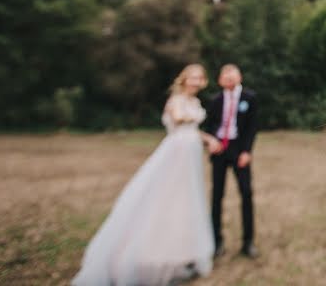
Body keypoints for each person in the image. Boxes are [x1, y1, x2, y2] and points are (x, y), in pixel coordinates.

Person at [73, 64, 218, 286]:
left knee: (185, 202)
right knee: (164, 199)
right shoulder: (176, 100)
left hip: (191, 158)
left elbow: (193, 130)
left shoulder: (196, 102)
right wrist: (192, 118)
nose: (196, 82)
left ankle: (180, 254)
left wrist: (207, 138)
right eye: (193, 78)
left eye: (200, 78)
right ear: (184, 80)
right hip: (175, 156)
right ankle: (144, 254)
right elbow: (179, 119)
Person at [202, 64, 259, 258]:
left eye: (232, 74)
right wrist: (210, 143)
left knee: (246, 193)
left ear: (240, 76)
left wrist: (247, 151)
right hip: (219, 150)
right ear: (219, 80)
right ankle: (217, 241)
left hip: (239, 149)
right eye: (224, 75)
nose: (229, 78)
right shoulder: (215, 100)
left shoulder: (249, 98)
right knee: (217, 195)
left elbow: (252, 127)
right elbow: (208, 126)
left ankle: (248, 242)